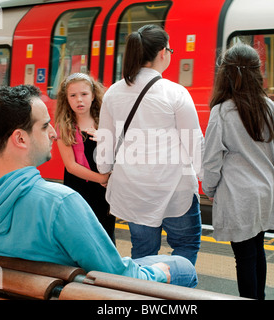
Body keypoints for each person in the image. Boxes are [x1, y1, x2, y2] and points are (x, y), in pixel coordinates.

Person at [0, 85, 198, 288]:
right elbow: (119, 276)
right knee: (180, 267)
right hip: (62, 292)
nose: (53, 134)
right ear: (20, 138)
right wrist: (161, 272)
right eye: (44, 126)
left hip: (16, 290)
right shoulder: (59, 203)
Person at [96, 24, 204, 266]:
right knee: (185, 245)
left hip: (132, 187)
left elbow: (106, 140)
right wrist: (206, 177)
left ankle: (144, 294)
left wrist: (104, 171)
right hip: (175, 186)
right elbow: (193, 141)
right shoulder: (175, 92)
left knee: (144, 252)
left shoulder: (113, 92)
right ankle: (176, 293)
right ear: (163, 52)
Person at [202, 43, 274, 299]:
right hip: (265, 192)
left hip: (239, 195)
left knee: (245, 258)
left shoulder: (222, 111)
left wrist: (210, 189)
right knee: (257, 250)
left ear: (225, 74)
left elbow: (212, 160)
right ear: (257, 72)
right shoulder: (268, 106)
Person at [55, 73, 115, 242]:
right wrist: (102, 178)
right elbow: (71, 166)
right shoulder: (64, 127)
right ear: (66, 99)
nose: (79, 100)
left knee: (105, 233)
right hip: (78, 189)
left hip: (104, 192)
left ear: (93, 95)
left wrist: (104, 138)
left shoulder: (105, 123)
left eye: (84, 94)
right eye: (73, 96)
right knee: (80, 235)